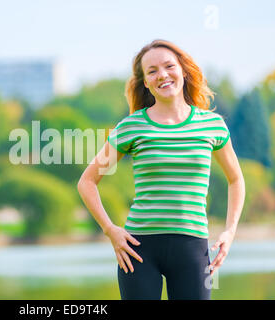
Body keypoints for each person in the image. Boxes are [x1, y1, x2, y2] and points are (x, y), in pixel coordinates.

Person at [77, 39, 246, 300]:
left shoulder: (211, 125)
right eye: (152, 71)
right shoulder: (132, 127)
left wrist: (230, 230)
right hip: (138, 250)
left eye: (169, 66)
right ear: (145, 82)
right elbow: (87, 182)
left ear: (183, 70)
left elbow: (236, 179)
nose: (162, 75)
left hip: (192, 248)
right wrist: (111, 230)